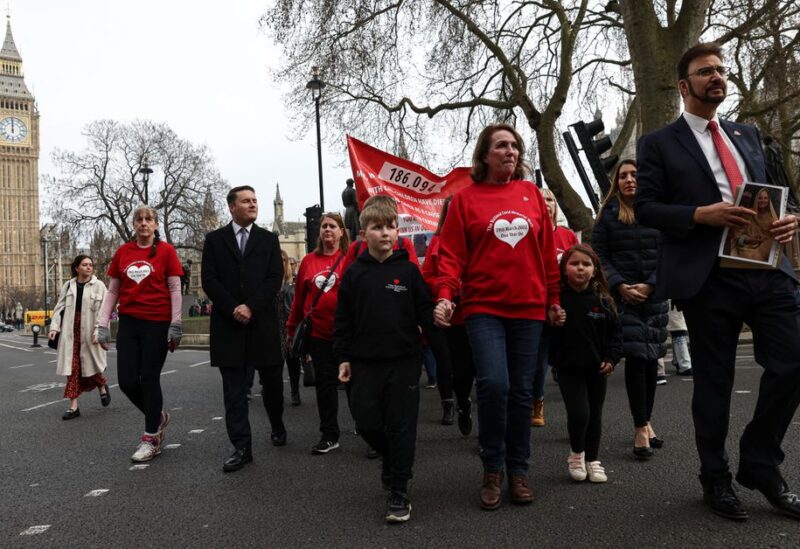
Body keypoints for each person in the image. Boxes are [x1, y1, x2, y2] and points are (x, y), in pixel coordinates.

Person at [635, 42, 800, 521]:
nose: (718, 77)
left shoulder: (749, 135)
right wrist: (697, 214)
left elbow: (777, 194)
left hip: (768, 271)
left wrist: (790, 218)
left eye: (722, 71)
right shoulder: (659, 143)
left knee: (793, 362)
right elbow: (645, 208)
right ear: (685, 86)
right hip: (709, 277)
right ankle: (715, 477)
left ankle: (760, 463)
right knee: (715, 383)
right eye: (706, 71)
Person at [433, 123, 560, 510]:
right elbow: (450, 256)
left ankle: (518, 470)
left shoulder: (531, 195)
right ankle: (492, 468)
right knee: (494, 385)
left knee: (523, 392)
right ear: (484, 155)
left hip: (529, 309)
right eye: (502, 145)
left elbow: (545, 251)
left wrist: (553, 299)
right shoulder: (465, 200)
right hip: (483, 309)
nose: (511, 151)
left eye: (515, 146)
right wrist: (444, 296)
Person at [335, 201, 436, 523]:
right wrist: (344, 357)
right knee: (366, 422)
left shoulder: (408, 270)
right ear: (364, 234)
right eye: (378, 227)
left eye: (390, 226)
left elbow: (424, 309)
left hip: (404, 361)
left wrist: (433, 326)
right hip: (365, 362)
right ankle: (392, 462)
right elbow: (344, 320)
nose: (385, 232)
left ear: (397, 231)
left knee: (402, 426)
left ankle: (399, 490)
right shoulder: (354, 273)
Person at [201, 186, 285, 472]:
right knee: (234, 392)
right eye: (246, 201)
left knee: (272, 383)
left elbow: (275, 279)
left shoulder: (268, 240)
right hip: (228, 325)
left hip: (262, 322)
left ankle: (277, 423)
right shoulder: (214, 240)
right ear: (231, 207)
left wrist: (251, 306)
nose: (253, 205)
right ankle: (241, 446)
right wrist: (233, 307)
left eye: (255, 201)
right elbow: (209, 280)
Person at [592, 159, 668, 461]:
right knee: (637, 359)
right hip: (623, 298)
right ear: (616, 183)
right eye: (623, 176)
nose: (629, 180)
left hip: (654, 295)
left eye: (635, 174)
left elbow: (670, 254)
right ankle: (640, 428)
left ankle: (646, 421)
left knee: (652, 361)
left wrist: (651, 285)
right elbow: (600, 257)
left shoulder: (658, 213)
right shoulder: (607, 217)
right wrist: (621, 285)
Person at [96, 206, 183, 463]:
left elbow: (175, 289)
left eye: (149, 219)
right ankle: (157, 417)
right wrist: (102, 325)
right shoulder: (123, 252)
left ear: (156, 225)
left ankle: (151, 438)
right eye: (139, 219)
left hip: (157, 322)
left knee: (149, 378)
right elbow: (113, 292)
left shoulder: (167, 251)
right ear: (134, 224)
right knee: (126, 381)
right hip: (129, 322)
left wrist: (175, 324)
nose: (144, 223)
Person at [549, 244, 622, 483]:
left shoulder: (603, 300)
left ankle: (593, 459)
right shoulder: (557, 301)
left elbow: (615, 335)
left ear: (595, 269)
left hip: (597, 368)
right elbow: (546, 336)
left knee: (595, 415)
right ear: (564, 268)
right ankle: (577, 453)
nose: (580, 268)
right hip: (569, 367)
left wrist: (611, 358)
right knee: (579, 413)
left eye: (586, 264)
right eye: (574, 263)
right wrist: (552, 322)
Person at [287, 212, 351, 455]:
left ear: (341, 232)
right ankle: (329, 434)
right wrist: (292, 329)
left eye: (332, 226)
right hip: (319, 335)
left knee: (354, 384)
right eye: (323, 226)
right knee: (325, 386)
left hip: (347, 335)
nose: (327, 230)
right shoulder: (308, 261)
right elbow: (299, 301)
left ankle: (367, 429)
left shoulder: (349, 259)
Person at [422, 195, 475, 435]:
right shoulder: (437, 242)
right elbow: (427, 277)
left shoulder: (477, 239)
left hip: (470, 316)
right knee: (445, 363)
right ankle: (449, 405)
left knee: (466, 369)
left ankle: (464, 403)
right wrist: (445, 289)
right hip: (443, 316)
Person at [532, 188, 579, 427]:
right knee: (539, 361)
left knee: (570, 360)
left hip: (566, 306)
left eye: (550, 198)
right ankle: (537, 401)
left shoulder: (567, 236)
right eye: (541, 199)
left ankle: (577, 413)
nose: (546, 203)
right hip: (539, 308)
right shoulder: (530, 235)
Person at [49, 255, 109, 420]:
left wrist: (99, 331)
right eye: (85, 265)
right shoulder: (68, 286)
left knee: (89, 366)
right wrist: (54, 327)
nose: (89, 267)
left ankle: (102, 385)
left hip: (90, 331)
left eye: (90, 265)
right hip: (70, 332)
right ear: (77, 268)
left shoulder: (99, 286)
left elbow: (104, 311)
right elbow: (59, 308)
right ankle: (74, 407)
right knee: (73, 368)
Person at [278, 250, 302, 406]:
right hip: (274, 327)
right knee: (276, 364)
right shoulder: (270, 281)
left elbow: (294, 306)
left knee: (293, 362)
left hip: (288, 326)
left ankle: (295, 391)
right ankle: (275, 391)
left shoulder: (291, 283)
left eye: (282, 259)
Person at [728, 188, 778, 262]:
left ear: (769, 200)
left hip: (765, 250)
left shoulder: (772, 218)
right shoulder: (748, 214)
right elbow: (737, 236)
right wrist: (749, 239)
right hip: (746, 249)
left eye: (765, 198)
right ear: (756, 200)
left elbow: (774, 239)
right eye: (760, 198)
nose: (763, 201)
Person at [342, 177, 360, 242]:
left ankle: (351, 241)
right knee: (354, 228)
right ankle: (354, 242)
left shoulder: (343, 192)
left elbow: (344, 203)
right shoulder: (352, 190)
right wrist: (359, 210)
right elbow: (355, 201)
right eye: (353, 183)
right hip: (353, 210)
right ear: (351, 183)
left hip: (347, 210)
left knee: (349, 227)